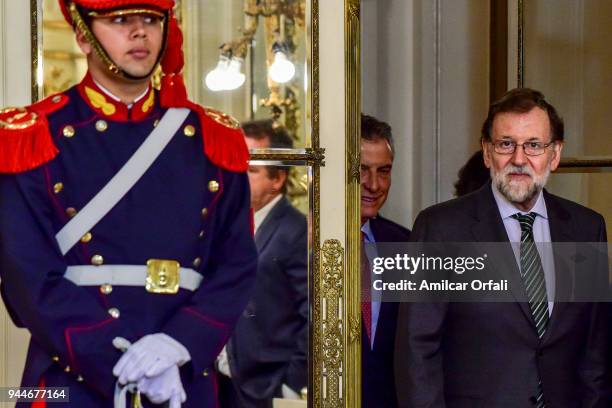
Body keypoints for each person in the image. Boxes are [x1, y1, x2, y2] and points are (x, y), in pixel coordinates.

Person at [0, 1, 257, 407]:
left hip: (182, 376)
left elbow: (237, 264)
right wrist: (117, 361)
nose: (140, 32)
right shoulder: (32, 136)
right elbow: (28, 278)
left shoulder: (212, 137)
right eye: (120, 20)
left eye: (151, 19)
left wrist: (180, 346)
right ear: (84, 36)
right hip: (71, 381)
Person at [395, 88, 611, 407]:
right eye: (506, 144)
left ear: (555, 154)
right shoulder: (442, 229)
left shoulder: (587, 228)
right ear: (486, 152)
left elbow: (596, 355)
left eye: (534, 145)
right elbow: (417, 351)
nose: (519, 159)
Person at [217, 119, 308, 407]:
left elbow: (315, 314)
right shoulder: (223, 224)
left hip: (265, 390)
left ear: (277, 179)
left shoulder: (296, 231)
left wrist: (291, 387)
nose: (236, 176)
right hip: (219, 385)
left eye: (251, 170)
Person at [360, 114, 411, 408]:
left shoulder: (406, 244)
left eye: (384, 171)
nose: (374, 185)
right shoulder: (300, 241)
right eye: (362, 170)